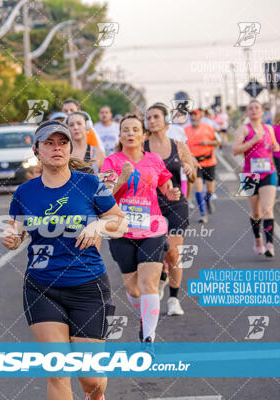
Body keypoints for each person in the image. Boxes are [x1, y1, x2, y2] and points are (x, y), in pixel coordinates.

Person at [2, 120, 127, 400]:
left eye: (62, 143)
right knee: (57, 369)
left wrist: (99, 226)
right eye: (49, 143)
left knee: (90, 379)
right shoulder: (25, 192)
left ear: (70, 148)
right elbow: (15, 228)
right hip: (42, 286)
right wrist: (11, 236)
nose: (56, 148)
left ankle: (95, 395)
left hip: (88, 287)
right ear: (37, 151)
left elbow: (121, 224)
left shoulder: (89, 184)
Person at [100, 115, 181, 343]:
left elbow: (165, 184)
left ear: (143, 135)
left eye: (135, 129)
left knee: (148, 283)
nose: (130, 134)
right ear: (120, 135)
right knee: (133, 288)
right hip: (121, 230)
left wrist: (171, 192)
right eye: (125, 130)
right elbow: (103, 195)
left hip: (152, 228)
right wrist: (122, 178)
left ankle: (148, 336)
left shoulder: (154, 160)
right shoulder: (111, 161)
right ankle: (146, 319)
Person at [144, 103, 197, 316]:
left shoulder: (178, 146)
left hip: (176, 203)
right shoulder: (142, 148)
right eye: (148, 118)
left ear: (166, 121)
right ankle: (163, 276)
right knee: (157, 250)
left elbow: (193, 176)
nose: (152, 120)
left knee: (174, 253)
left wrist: (189, 169)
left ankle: (174, 299)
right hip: (149, 206)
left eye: (156, 116)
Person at [232, 100, 280, 257]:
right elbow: (235, 150)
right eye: (250, 108)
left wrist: (275, 147)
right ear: (247, 112)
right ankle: (258, 238)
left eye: (256, 108)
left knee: (267, 209)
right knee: (256, 213)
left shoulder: (269, 128)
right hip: (250, 175)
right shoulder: (243, 129)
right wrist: (253, 140)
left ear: (261, 111)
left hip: (268, 172)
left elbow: (275, 145)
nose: (253, 111)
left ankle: (270, 244)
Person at [185, 109, 221, 223]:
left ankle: (208, 200)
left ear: (200, 116)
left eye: (195, 115)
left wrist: (208, 142)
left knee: (210, 190)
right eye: (191, 116)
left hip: (209, 162)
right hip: (195, 163)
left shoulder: (209, 128)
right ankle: (203, 214)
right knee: (198, 187)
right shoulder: (185, 131)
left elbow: (219, 141)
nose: (193, 118)